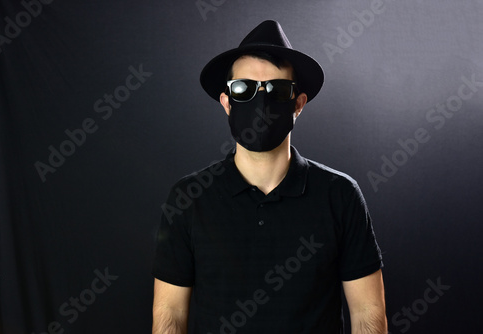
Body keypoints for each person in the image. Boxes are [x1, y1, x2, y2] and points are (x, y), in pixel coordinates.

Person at [152, 20, 386, 333]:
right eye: (244, 89)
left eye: (277, 89)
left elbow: (368, 315)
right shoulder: (189, 197)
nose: (260, 102)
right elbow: (169, 315)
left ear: (298, 104)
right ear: (227, 103)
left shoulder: (340, 195)